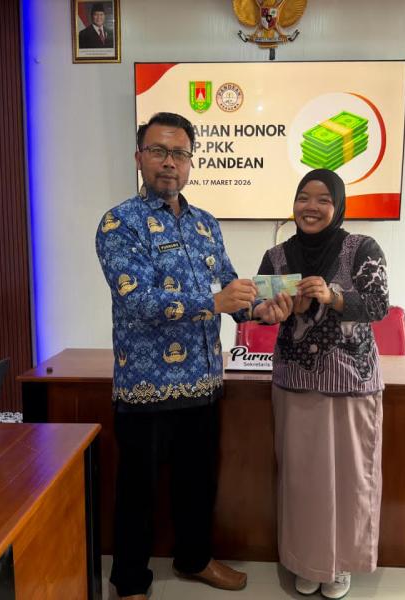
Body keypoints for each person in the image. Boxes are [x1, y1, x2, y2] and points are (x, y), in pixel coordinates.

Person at [95, 112, 286, 600]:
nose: (169, 163)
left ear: (190, 162)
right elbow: (137, 299)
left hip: (203, 382)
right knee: (137, 492)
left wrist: (263, 309)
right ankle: (130, 582)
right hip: (145, 385)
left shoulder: (205, 224)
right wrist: (214, 302)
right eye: (158, 151)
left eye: (179, 153)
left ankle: (195, 559)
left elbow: (230, 288)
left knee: (197, 483)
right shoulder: (119, 223)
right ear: (139, 158)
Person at [256, 169, 389, 599]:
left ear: (338, 206)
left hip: (352, 382)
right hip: (296, 382)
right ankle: (306, 561)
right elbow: (259, 308)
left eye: (323, 200)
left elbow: (378, 305)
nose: (310, 207)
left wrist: (333, 296)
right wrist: (273, 312)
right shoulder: (276, 257)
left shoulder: (362, 248)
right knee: (303, 479)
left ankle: (341, 564)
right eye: (303, 198)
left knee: (350, 478)